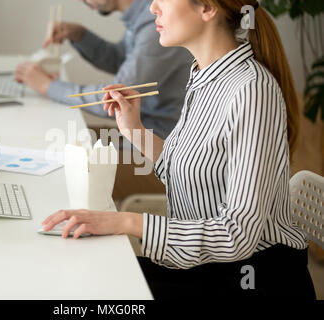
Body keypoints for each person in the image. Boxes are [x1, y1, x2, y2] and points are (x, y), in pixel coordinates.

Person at [41, 0, 316, 299]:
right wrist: (134, 129)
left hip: (252, 279)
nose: (152, 8)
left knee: (87, 291)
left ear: (207, 9)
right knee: (78, 274)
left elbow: (237, 235)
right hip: (200, 268)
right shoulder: (203, 75)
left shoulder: (251, 90)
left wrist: (126, 221)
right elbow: (184, 169)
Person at [16, 0, 192, 202]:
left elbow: (117, 97)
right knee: (60, 143)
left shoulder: (153, 22)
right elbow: (123, 61)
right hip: (143, 135)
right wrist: (80, 35)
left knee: (63, 172)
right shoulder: (144, 16)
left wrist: (48, 87)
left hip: (158, 149)